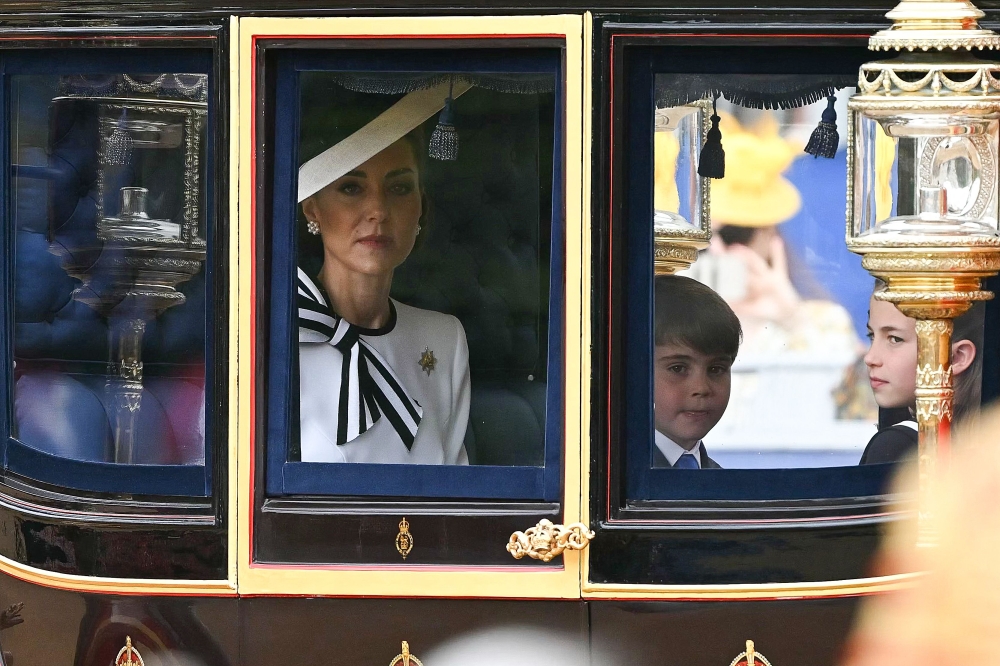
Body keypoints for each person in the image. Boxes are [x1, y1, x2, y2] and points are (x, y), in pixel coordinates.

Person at [296, 81, 471, 464]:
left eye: (399, 188)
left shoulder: (444, 340)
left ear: (421, 208)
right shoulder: (278, 340)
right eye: (352, 188)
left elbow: (457, 496)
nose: (378, 209)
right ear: (313, 209)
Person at [859, 281, 983, 465]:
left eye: (895, 339)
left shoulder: (897, 446)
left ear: (956, 357)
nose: (870, 358)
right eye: (872, 336)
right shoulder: (987, 441)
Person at [652, 275, 742, 468]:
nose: (701, 388)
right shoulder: (610, 479)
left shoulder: (722, 482)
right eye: (678, 368)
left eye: (716, 369)